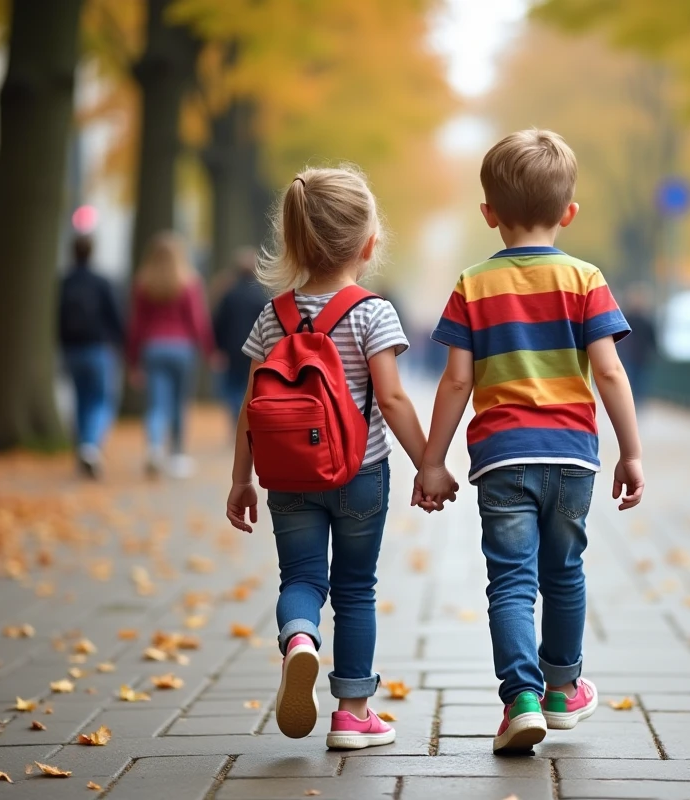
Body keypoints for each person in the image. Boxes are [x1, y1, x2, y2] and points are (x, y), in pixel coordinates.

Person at [420, 129, 644, 753]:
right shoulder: (585, 278)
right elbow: (609, 372)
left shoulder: (472, 284)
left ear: (488, 215)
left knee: (511, 582)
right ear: (569, 213)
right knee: (565, 572)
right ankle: (562, 690)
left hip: (501, 459)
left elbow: (456, 380)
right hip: (573, 456)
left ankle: (519, 698)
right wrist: (631, 451)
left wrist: (432, 462)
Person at [224, 166, 438, 751]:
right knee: (355, 588)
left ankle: (299, 640)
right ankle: (352, 714)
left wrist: (241, 480)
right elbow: (391, 398)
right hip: (360, 474)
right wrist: (428, 462)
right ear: (368, 245)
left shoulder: (274, 316)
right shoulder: (373, 313)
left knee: (301, 578)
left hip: (287, 476)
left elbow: (250, 406)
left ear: (293, 242)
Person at [127, 231, 214, 479]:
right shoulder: (189, 282)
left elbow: (136, 325)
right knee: (179, 402)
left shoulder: (143, 284)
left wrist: (133, 360)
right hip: (182, 349)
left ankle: (154, 447)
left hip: (153, 349)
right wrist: (208, 350)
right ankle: (177, 455)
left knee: (157, 404)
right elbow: (198, 321)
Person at [58, 235, 125, 478]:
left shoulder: (64, 282)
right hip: (99, 349)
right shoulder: (102, 282)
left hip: (72, 350)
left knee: (80, 399)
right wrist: (120, 344)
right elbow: (115, 316)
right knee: (101, 399)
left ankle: (82, 446)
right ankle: (91, 445)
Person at [211, 247, 267, 424]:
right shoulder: (260, 296)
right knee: (248, 384)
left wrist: (217, 347)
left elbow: (219, 322)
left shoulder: (229, 295)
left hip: (231, 348)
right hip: (254, 348)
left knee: (232, 385)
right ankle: (246, 417)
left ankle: (237, 416)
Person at [617, 283, 659, 408]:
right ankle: (633, 401)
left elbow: (652, 338)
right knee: (633, 379)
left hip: (641, 356)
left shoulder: (644, 320)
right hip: (631, 356)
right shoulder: (628, 318)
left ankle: (637, 402)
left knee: (639, 380)